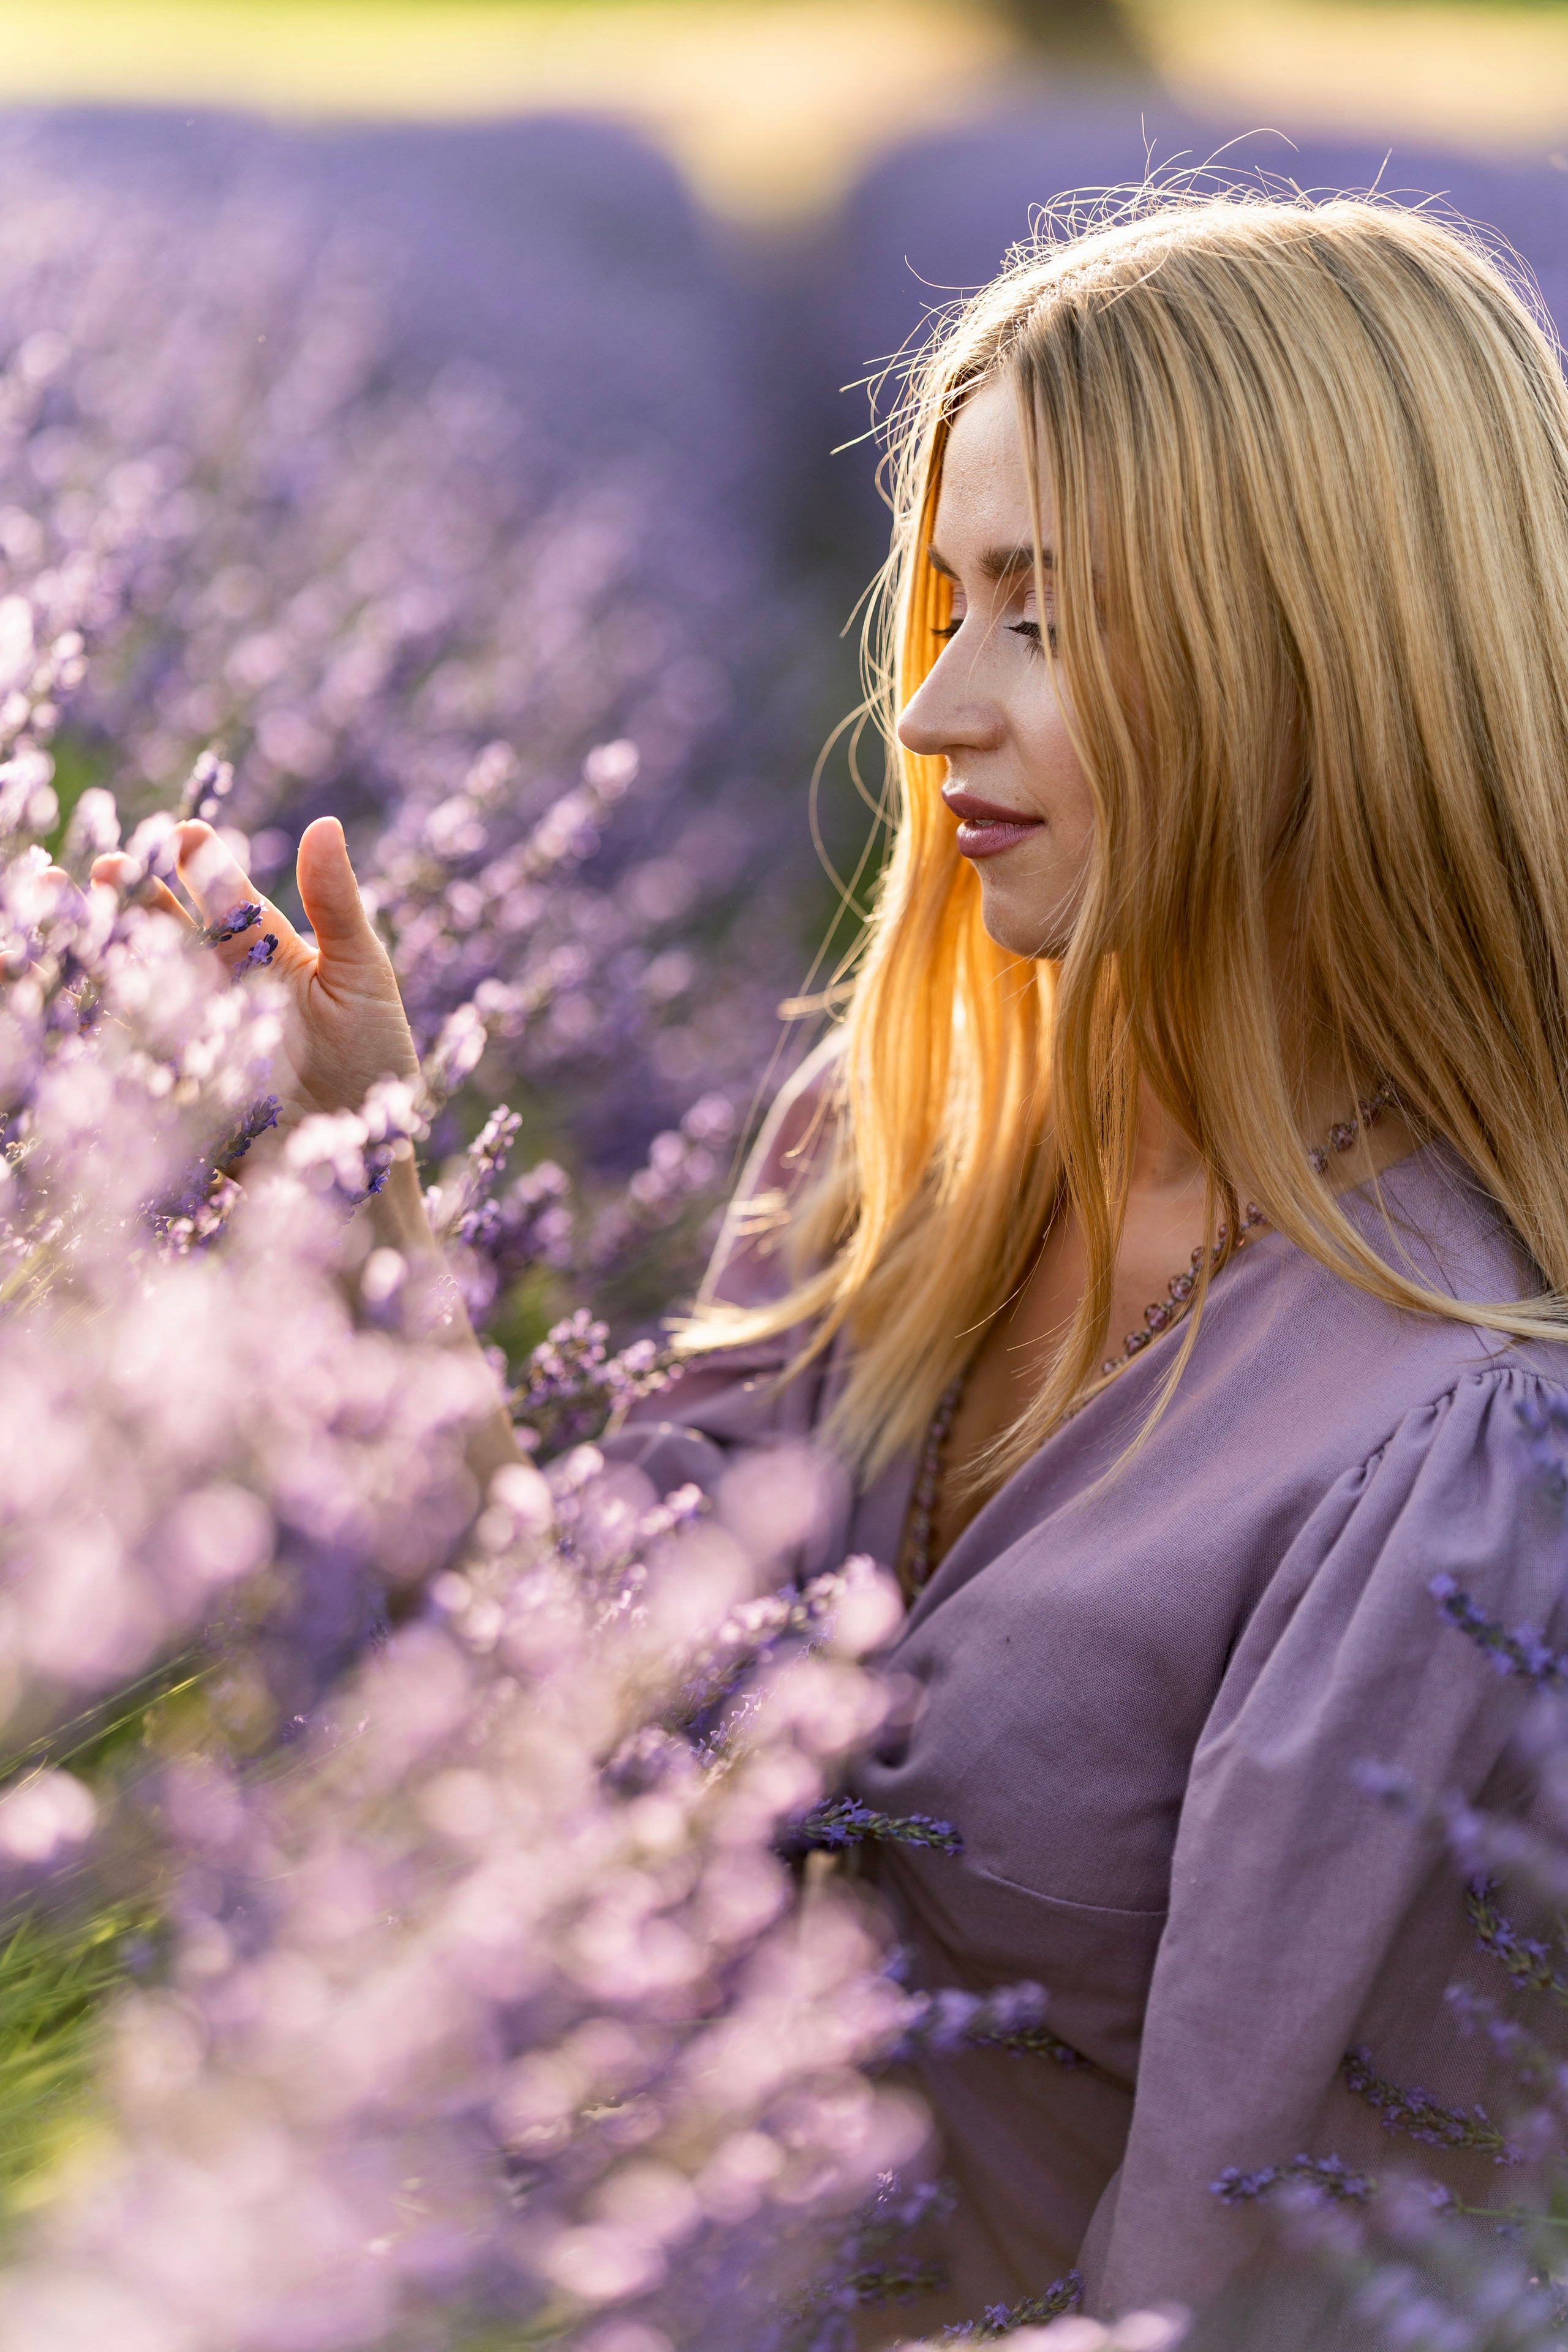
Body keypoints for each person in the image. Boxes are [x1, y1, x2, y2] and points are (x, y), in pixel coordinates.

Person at [104, 191, 1568, 2337]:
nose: (935, 711)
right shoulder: (902, 1163)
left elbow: (1254, 2295)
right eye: (949, 605)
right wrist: (354, 1181)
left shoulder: (1465, 1453)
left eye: (1049, 622)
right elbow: (572, 1721)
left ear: (1318, 659)